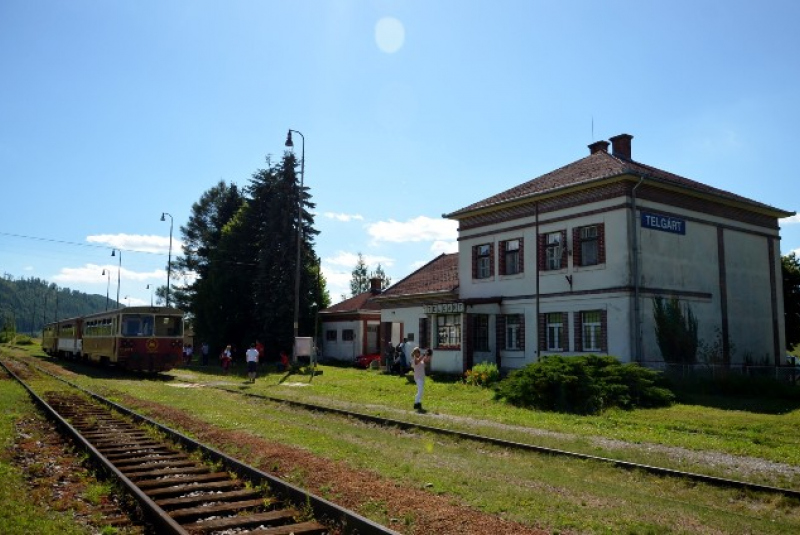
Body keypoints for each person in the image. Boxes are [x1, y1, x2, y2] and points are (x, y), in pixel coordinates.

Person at [411, 347, 433, 412]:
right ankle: (415, 403)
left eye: (418, 352)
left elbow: (426, 361)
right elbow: (417, 362)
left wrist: (429, 355)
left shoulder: (421, 359)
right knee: (420, 391)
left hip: (422, 377)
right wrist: (423, 356)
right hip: (417, 377)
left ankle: (419, 403)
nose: (418, 353)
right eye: (416, 352)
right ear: (414, 353)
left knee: (421, 391)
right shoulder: (414, 359)